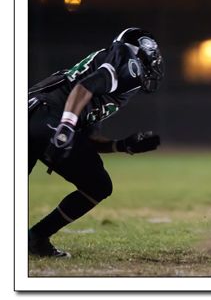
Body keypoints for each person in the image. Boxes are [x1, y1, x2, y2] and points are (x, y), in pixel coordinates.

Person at [28, 27, 164, 258]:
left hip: (35, 115)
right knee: (97, 185)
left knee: (96, 184)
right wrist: (67, 125)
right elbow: (86, 86)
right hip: (46, 116)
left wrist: (123, 145)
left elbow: (88, 139)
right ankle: (37, 236)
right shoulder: (125, 64)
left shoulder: (111, 74)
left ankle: (37, 238)